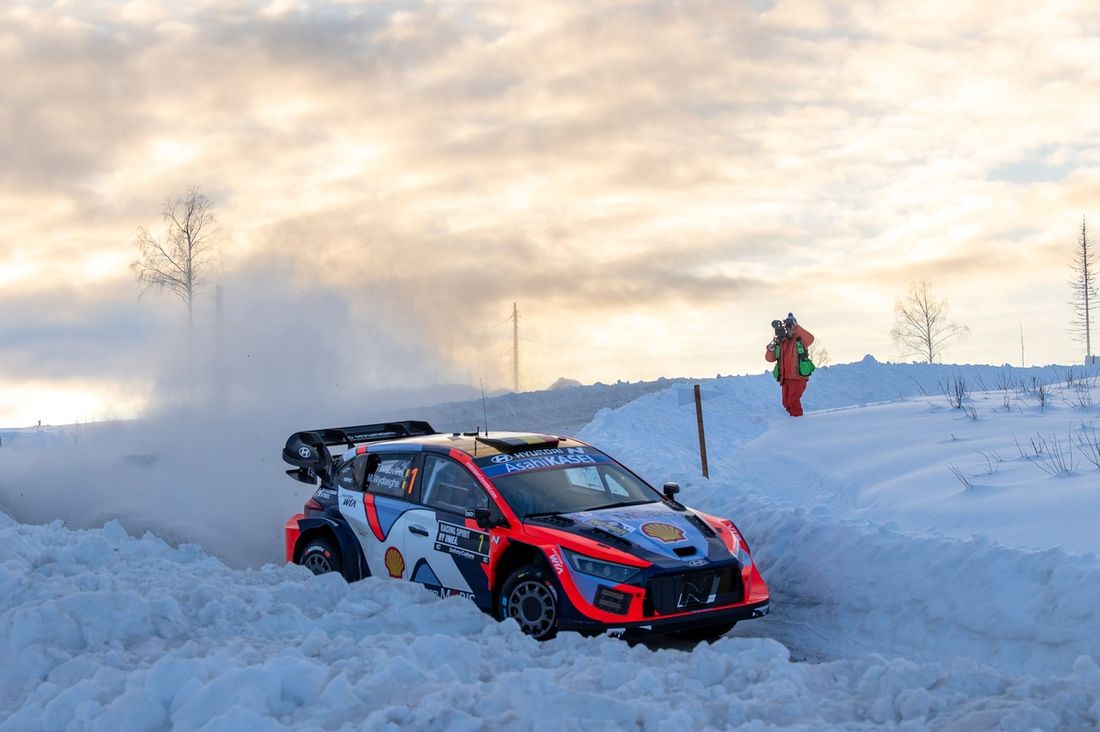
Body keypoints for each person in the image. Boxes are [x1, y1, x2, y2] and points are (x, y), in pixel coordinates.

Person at [765, 313, 815, 417]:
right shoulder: (781, 341)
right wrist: (770, 350)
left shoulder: (800, 339)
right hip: (785, 378)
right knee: (786, 403)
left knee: (793, 401)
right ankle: (794, 421)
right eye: (787, 327)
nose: (789, 329)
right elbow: (770, 359)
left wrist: (796, 326)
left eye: (790, 327)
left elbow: (810, 339)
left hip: (798, 377)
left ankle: (798, 423)